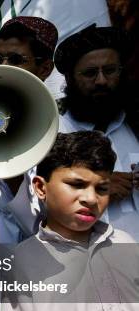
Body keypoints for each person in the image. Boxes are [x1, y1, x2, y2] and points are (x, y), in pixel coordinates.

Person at [0, 131, 139, 311]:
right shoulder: (23, 263)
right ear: (40, 187)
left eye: (102, 188)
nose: (90, 198)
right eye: (76, 184)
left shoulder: (126, 244)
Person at [0, 16, 59, 243]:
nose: (3, 68)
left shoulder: (65, 135)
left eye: (15, 59)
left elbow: (45, 227)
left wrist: (13, 179)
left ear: (44, 68)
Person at [55, 24, 138, 241]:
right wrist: (96, 189)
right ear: (70, 79)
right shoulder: (55, 134)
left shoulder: (135, 126)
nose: (101, 81)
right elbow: (31, 207)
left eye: (110, 71)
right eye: (90, 73)